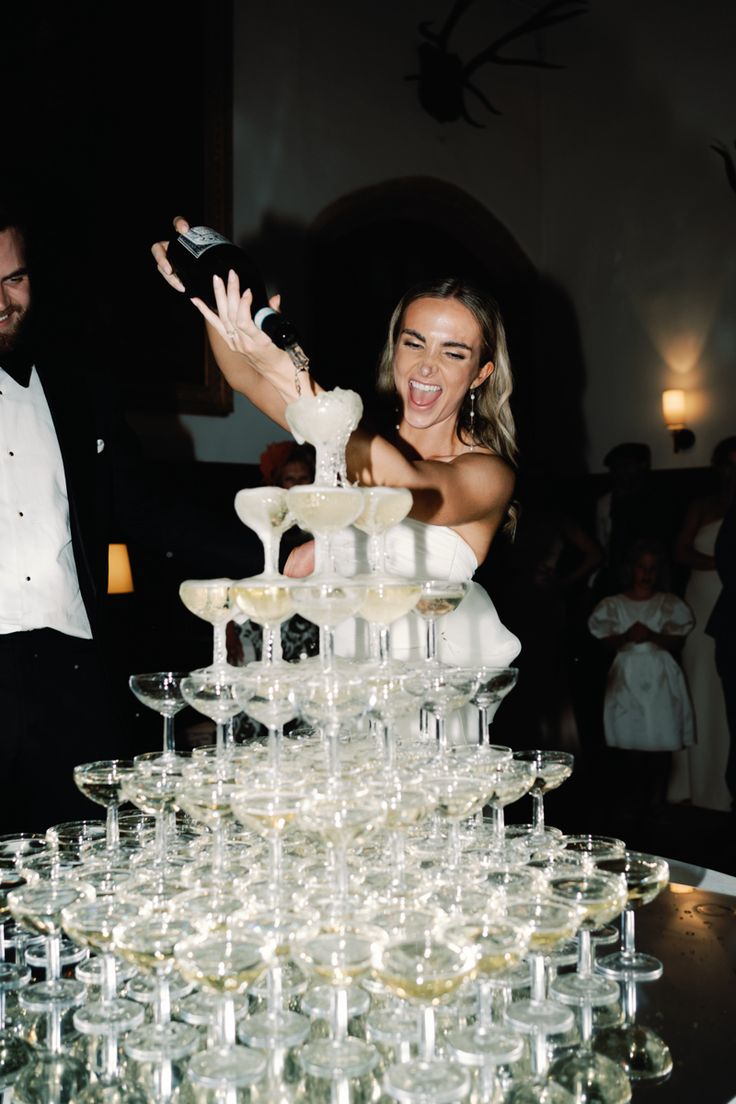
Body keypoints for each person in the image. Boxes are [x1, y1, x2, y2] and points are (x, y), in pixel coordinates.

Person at [152, 218, 521, 686]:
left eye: (454, 352)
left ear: (481, 373)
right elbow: (246, 379)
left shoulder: (488, 472)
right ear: (395, 349)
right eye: (414, 342)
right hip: (345, 684)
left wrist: (285, 367)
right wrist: (209, 296)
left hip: (430, 700)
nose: (427, 364)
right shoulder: (351, 439)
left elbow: (402, 485)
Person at [588, 538, 695, 813]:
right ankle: (634, 804)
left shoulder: (668, 604)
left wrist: (653, 635)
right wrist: (625, 636)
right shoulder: (613, 604)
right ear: (630, 569)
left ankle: (657, 803)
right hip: (627, 675)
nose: (647, 574)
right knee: (631, 741)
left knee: (660, 741)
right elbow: (603, 640)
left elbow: (678, 639)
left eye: (653, 568)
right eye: (641, 567)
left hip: (659, 675)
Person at [667, 436, 736, 811]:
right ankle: (694, 783)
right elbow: (680, 550)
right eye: (729, 463)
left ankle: (724, 791)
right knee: (701, 686)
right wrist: (720, 566)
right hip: (705, 596)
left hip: (728, 599)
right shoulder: (704, 505)